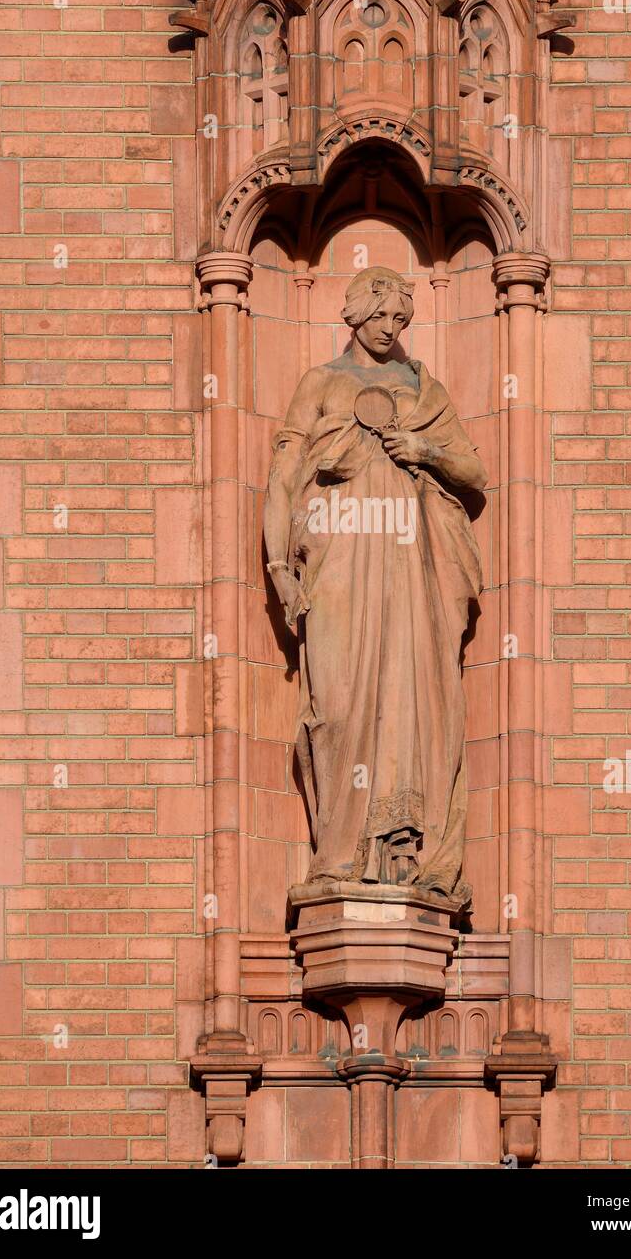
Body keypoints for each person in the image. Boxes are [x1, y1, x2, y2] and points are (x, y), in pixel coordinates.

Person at [263, 266, 486, 901]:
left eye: (401, 320)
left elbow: (473, 470)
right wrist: (280, 567)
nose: (390, 329)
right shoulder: (322, 385)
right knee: (334, 700)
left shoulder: (424, 389)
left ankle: (402, 854)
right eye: (381, 316)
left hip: (412, 566)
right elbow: (282, 480)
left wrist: (424, 449)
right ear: (356, 315)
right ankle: (336, 853)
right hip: (337, 561)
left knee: (412, 700)